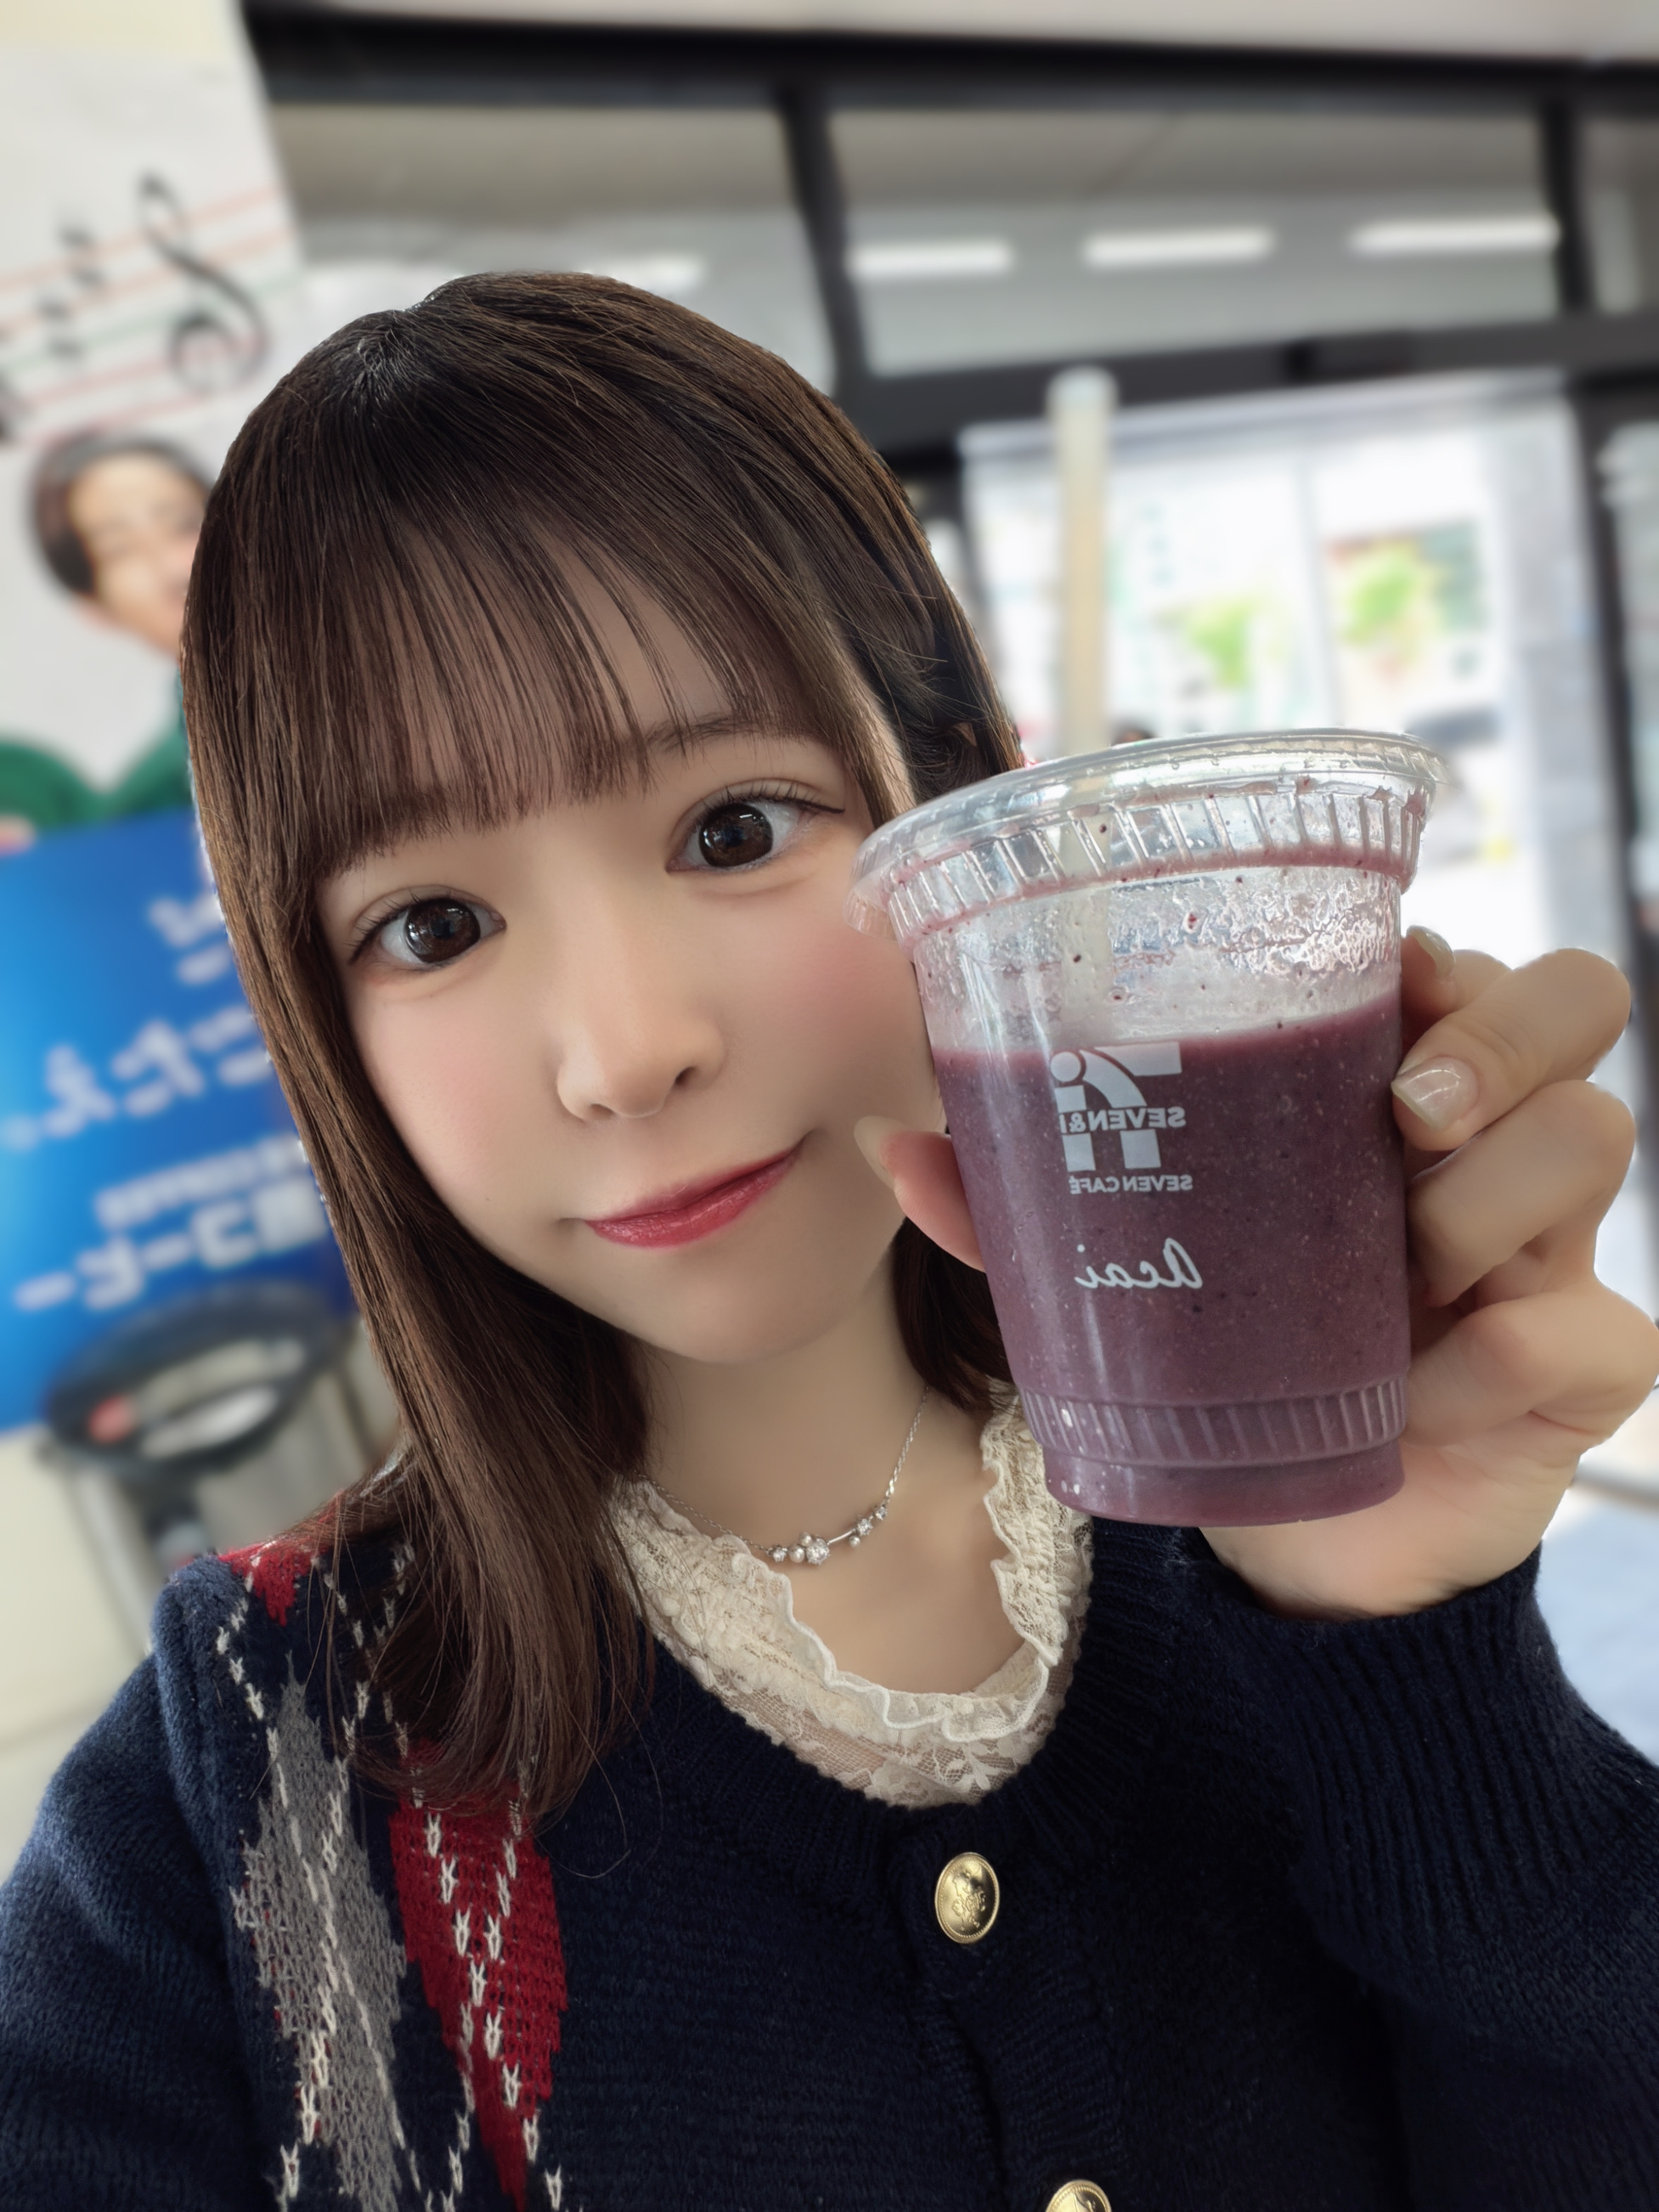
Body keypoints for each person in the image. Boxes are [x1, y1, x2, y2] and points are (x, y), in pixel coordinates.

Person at [1, 273, 1656, 2209]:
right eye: (430, 927)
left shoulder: (1263, 1549)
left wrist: (1413, 1660)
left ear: (964, 799)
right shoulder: (250, 1789)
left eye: (734, 828)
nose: (626, 1051)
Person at [0, 434, 204, 849]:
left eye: (185, 525)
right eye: (120, 550)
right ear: (93, 605)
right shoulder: (151, 806)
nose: (175, 570)